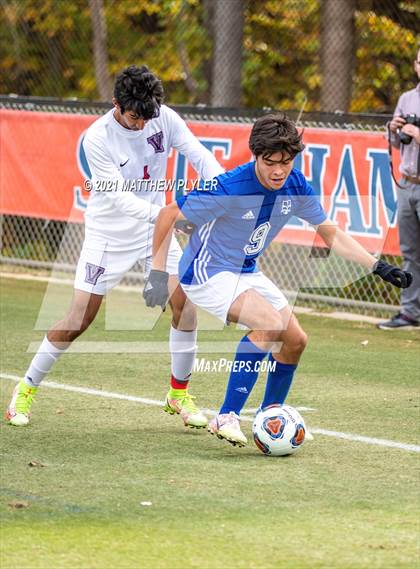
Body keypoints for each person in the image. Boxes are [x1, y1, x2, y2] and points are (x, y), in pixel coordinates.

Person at [144, 113, 412, 447]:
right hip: (206, 271)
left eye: (286, 162)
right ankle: (226, 415)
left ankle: (270, 413)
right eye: (270, 162)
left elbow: (331, 234)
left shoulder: (296, 185)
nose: (278, 171)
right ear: (256, 155)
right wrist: (158, 273)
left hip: (245, 270)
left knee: (296, 339)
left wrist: (378, 266)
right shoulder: (230, 187)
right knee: (269, 324)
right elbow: (169, 215)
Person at [6, 64, 224, 428]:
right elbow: (121, 200)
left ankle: (178, 394)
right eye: (135, 117)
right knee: (79, 320)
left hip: (153, 229)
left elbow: (200, 156)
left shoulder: (163, 118)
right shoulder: (96, 138)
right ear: (116, 104)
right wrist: (172, 217)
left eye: (148, 117)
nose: (142, 125)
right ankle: (26, 387)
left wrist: (220, 191)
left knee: (184, 306)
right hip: (109, 235)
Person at [378, 48, 420, 330]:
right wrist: (394, 129)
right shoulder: (407, 98)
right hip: (407, 183)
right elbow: (396, 144)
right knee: (410, 252)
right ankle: (410, 313)